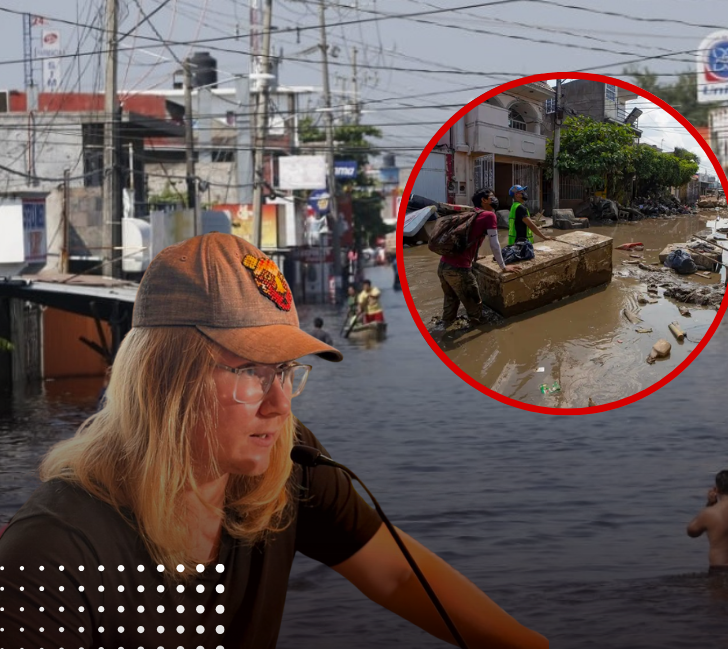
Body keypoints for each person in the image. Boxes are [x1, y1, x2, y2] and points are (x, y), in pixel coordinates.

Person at [0, 232, 547, 649]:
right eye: (248, 372)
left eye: (284, 370)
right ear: (164, 378)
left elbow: (397, 573)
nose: (280, 404)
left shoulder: (284, 461)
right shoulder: (53, 556)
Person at [438, 188, 518, 327]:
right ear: (484, 200)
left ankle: (443, 331)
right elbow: (494, 244)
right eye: (491, 197)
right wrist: (503, 267)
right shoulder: (489, 215)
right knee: (476, 308)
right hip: (459, 270)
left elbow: (468, 239)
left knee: (450, 303)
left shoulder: (471, 213)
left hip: (444, 266)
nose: (494, 199)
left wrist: (474, 257)